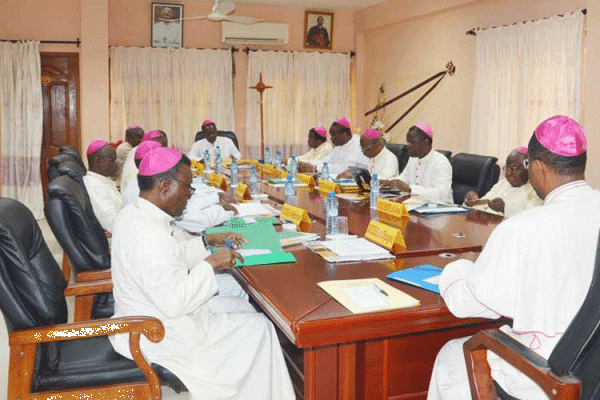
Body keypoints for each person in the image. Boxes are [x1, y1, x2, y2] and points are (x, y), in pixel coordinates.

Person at [427, 115, 600, 400]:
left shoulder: (523, 228)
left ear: (540, 167)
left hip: (549, 377)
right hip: (592, 375)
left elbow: (468, 303)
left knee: (452, 356)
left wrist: (456, 270)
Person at [109, 147, 295, 399]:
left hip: (152, 316)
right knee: (260, 327)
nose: (188, 196)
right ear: (164, 185)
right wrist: (212, 263)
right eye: (187, 187)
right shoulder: (149, 233)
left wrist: (208, 241)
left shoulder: (136, 215)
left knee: (243, 309)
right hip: (158, 333)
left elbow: (172, 257)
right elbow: (176, 302)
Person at [382, 123, 453, 203]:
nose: (408, 146)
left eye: (413, 142)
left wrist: (410, 189)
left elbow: (441, 195)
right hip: (418, 207)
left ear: (426, 142)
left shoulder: (441, 162)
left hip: (442, 210)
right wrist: (388, 182)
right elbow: (403, 179)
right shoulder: (413, 159)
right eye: (408, 142)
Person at [464, 147, 542, 217]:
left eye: (514, 168)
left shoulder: (537, 189)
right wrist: (472, 201)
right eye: (507, 169)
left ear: (528, 168)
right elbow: (483, 204)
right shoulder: (503, 183)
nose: (508, 174)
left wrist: (505, 208)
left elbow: (530, 217)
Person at [300, 118, 368, 178]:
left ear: (344, 134)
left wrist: (315, 168)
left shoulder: (357, 144)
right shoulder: (339, 146)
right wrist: (311, 166)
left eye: (334, 136)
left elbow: (344, 169)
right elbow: (326, 161)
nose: (331, 139)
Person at [82, 140, 121, 233]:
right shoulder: (94, 186)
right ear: (97, 160)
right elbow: (111, 223)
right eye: (111, 160)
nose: (115, 164)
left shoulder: (103, 180)